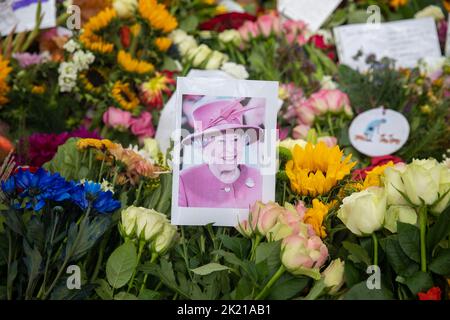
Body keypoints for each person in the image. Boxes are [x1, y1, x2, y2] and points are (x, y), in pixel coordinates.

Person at [178, 98, 263, 208]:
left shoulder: (260, 178)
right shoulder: (184, 181)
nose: (230, 149)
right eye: (221, 141)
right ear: (203, 148)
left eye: (236, 140)